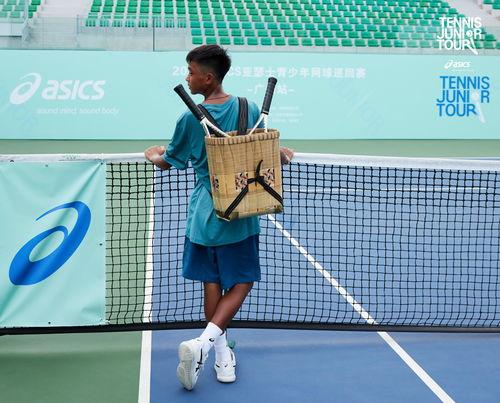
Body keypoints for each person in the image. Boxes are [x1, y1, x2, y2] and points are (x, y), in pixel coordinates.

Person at [144, 45, 293, 391]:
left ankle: (208, 348)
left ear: (208, 78)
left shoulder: (188, 120)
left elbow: (169, 161)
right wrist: (281, 155)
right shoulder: (247, 108)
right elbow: (258, 152)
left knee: (212, 282)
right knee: (241, 282)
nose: (187, 77)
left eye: (191, 72)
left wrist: (152, 155)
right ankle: (214, 351)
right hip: (241, 210)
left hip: (205, 215)